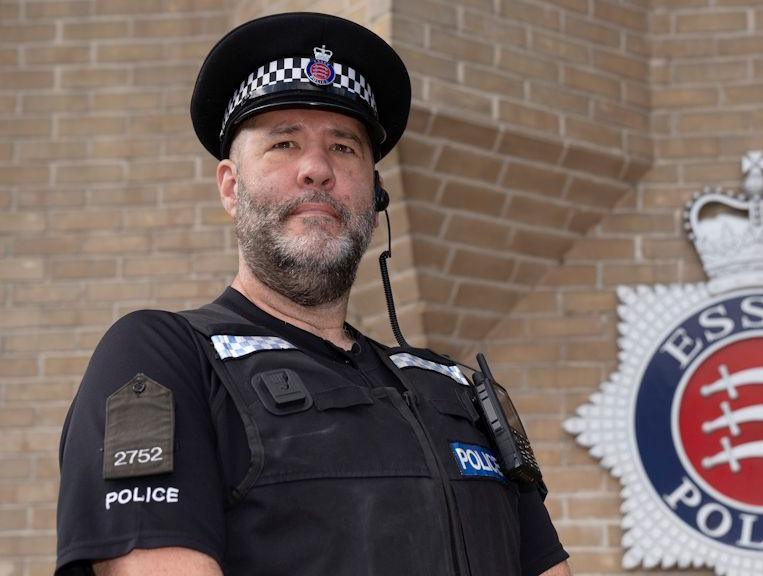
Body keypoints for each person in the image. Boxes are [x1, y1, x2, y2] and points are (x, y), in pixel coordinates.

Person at [55, 12, 571, 576]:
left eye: (344, 147)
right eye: (283, 143)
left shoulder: (456, 391)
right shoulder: (165, 359)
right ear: (231, 186)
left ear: (375, 193)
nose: (317, 169)